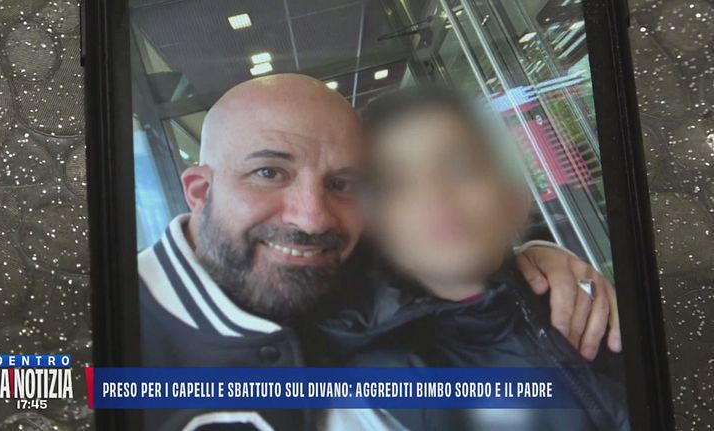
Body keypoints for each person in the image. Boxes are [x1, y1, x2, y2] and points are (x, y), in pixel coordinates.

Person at [138, 74, 621, 430]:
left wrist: (531, 262)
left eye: (342, 183)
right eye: (269, 173)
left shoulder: (347, 285)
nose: (312, 218)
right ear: (199, 190)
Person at [316, 86, 628, 431]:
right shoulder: (373, 393)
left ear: (514, 194)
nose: (435, 196)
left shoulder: (583, 296)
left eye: (461, 167)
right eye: (396, 183)